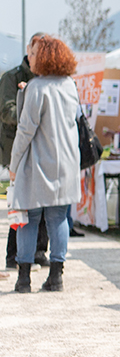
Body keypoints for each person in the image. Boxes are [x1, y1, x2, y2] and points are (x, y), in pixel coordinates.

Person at [10, 35, 81, 293]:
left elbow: (25, 131)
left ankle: (24, 278)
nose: (30, 56)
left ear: (44, 57)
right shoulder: (70, 85)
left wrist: (13, 162)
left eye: (34, 53)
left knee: (28, 219)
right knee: (58, 218)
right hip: (67, 163)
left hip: (38, 162)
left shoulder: (36, 88)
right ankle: (56, 276)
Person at [1, 32, 50, 270]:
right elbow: (6, 111)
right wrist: (29, 112)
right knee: (19, 203)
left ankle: (40, 251)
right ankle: (14, 254)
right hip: (17, 149)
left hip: (41, 148)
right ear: (29, 52)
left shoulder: (49, 79)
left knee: (44, 203)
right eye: (36, 51)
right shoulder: (12, 78)